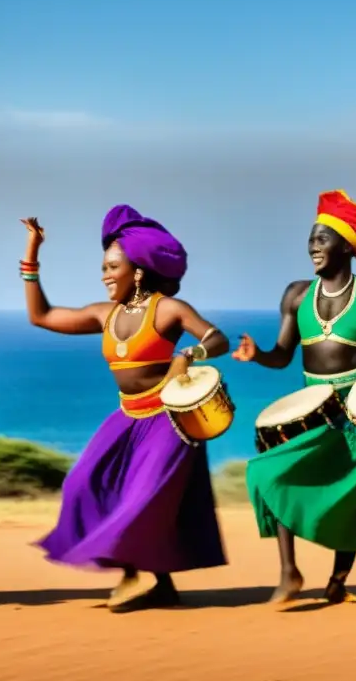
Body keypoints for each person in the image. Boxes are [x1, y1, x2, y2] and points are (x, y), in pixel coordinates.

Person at [22, 204, 229, 613]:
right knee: (81, 485)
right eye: (102, 266)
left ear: (136, 271)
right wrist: (33, 253)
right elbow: (40, 316)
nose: (103, 274)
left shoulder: (169, 309)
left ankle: (132, 574)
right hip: (127, 418)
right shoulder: (104, 315)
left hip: (169, 420)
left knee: (143, 501)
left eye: (111, 267)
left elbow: (217, 339)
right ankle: (161, 584)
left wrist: (190, 352)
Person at [232, 189, 356, 605]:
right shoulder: (296, 295)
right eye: (311, 239)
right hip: (312, 407)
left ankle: (337, 581)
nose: (313, 246)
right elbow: (283, 355)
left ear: (346, 245)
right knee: (267, 474)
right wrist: (257, 355)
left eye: (322, 238)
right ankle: (289, 572)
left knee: (355, 498)